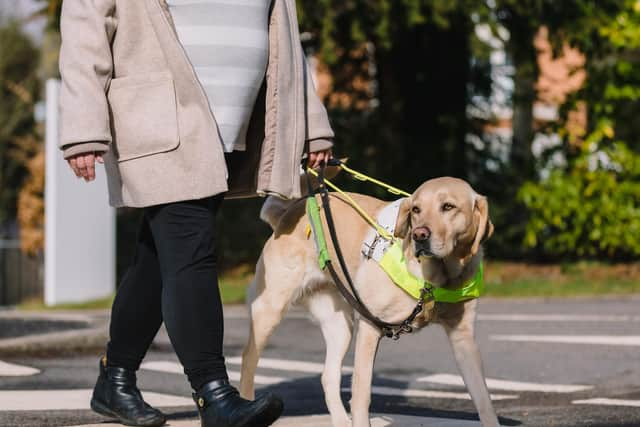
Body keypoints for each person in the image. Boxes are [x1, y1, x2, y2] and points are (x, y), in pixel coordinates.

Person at [58, 1, 334, 426]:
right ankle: (214, 395)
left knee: (159, 258)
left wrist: (312, 123)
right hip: (158, 115)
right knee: (190, 245)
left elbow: (286, 38)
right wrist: (82, 126)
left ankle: (114, 379)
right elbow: (85, 23)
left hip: (230, 127)